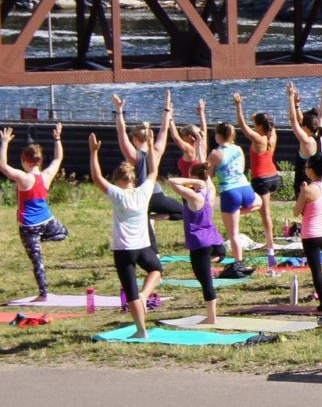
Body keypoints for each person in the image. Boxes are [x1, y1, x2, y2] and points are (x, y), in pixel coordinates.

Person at [87, 133, 163, 339]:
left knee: (131, 292)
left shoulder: (118, 194)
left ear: (118, 180)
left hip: (123, 249)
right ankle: (145, 295)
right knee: (156, 269)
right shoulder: (144, 191)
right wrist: (148, 148)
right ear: (132, 179)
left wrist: (94, 152)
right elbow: (154, 171)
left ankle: (141, 330)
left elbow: (96, 178)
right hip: (142, 247)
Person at [2, 124, 66, 302]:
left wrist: (4, 143)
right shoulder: (46, 175)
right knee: (63, 233)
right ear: (39, 160)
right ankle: (43, 239)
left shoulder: (24, 178)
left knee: (37, 260)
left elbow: (3, 166)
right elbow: (58, 159)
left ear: (25, 161)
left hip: (29, 227)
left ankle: (43, 294)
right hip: (48, 221)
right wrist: (57, 138)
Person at [111, 94, 182, 245]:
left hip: (139, 196)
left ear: (135, 139)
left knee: (145, 226)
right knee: (182, 211)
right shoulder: (156, 151)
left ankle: (151, 238)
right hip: (156, 195)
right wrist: (166, 110)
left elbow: (121, 132)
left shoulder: (133, 155)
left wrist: (119, 111)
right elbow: (163, 130)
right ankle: (151, 220)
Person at [166, 164, 225, 324]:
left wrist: (192, 181)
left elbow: (172, 181)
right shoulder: (210, 192)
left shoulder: (194, 197)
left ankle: (211, 318)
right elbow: (208, 178)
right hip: (214, 240)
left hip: (200, 243)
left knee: (205, 280)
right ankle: (210, 262)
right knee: (205, 274)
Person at [210, 122, 263, 273]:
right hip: (245, 187)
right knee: (259, 201)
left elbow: (207, 174)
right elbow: (241, 168)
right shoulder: (238, 149)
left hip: (229, 191)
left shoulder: (216, 153)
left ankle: (238, 261)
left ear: (218, 135)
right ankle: (236, 213)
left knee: (233, 233)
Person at [233, 93, 280, 262]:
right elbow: (264, 123)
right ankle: (238, 214)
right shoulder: (272, 136)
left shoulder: (258, 138)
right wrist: (257, 118)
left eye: (256, 124)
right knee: (260, 208)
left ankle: (270, 248)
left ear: (259, 126)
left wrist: (238, 105)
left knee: (265, 214)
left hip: (262, 179)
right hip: (274, 177)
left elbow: (242, 125)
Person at [295, 154, 322, 313]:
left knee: (316, 271)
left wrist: (302, 192)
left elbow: (296, 211)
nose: (305, 170)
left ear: (312, 170)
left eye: (307, 167)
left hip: (310, 234)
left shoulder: (308, 190)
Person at [287, 82, 322, 235]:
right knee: (320, 212)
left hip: (305, 182)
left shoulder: (306, 142)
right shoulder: (321, 138)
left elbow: (293, 120)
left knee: (308, 215)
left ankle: (311, 237)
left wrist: (291, 98)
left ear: (305, 127)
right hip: (321, 183)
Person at [168, 99, 208, 179]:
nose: (182, 137)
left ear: (189, 136)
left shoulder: (190, 149)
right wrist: (201, 112)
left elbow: (176, 137)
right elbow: (204, 130)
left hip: (190, 185)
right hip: (200, 182)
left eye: (183, 135)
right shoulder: (202, 145)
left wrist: (170, 117)